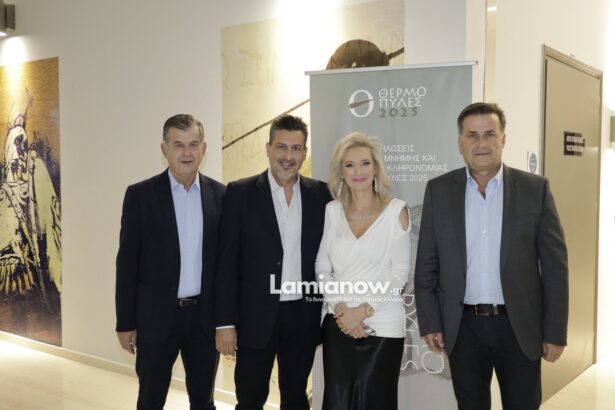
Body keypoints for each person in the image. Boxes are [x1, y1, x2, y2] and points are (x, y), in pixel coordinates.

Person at [414, 102, 569, 410]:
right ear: (460, 142)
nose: (481, 143)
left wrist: (554, 332)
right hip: (463, 327)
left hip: (519, 326)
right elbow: (427, 266)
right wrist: (430, 322)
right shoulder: (439, 191)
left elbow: (555, 269)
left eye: (489, 134)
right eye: (472, 135)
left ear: (503, 139)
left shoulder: (535, 189)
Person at [214, 115, 330, 410]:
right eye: (281, 147)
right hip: (254, 317)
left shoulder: (321, 195)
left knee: (296, 398)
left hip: (302, 316)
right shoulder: (239, 193)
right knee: (250, 399)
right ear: (268, 148)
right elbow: (226, 263)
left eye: (296, 148)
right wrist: (225, 323)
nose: (288, 156)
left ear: (304, 152)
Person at [115, 114, 225, 410]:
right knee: (150, 400)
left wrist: (227, 320)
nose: (186, 153)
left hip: (204, 319)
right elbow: (127, 263)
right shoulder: (140, 196)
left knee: (203, 401)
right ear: (164, 149)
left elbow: (226, 265)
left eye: (193, 144)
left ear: (204, 149)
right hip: (156, 319)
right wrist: (125, 322)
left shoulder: (221, 196)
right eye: (178, 145)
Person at [315, 132, 411, 410]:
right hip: (339, 322)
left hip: (382, 324)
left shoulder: (396, 211)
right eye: (350, 165)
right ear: (341, 172)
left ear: (376, 168)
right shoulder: (332, 211)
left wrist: (364, 310)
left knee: (375, 401)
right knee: (338, 402)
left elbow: (400, 273)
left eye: (365, 163)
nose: (358, 171)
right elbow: (322, 267)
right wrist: (340, 308)